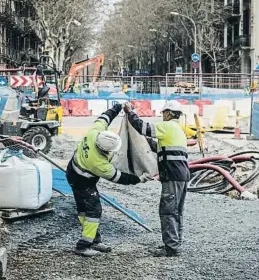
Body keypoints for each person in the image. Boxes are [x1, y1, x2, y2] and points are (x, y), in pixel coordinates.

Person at [66, 103, 152, 257]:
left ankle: (94, 240)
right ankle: (83, 246)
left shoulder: (95, 132)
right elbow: (121, 178)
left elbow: (105, 117)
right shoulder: (99, 163)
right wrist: (139, 179)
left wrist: (117, 107)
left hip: (73, 171)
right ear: (105, 150)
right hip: (82, 181)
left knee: (84, 209)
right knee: (94, 210)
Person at [123, 101, 190, 257]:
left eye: (163, 113)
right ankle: (174, 242)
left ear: (168, 113)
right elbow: (159, 147)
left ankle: (171, 247)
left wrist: (130, 112)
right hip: (181, 176)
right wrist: (144, 141)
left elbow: (142, 126)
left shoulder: (167, 127)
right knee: (176, 211)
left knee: (167, 211)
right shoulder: (177, 129)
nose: (162, 116)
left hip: (172, 176)